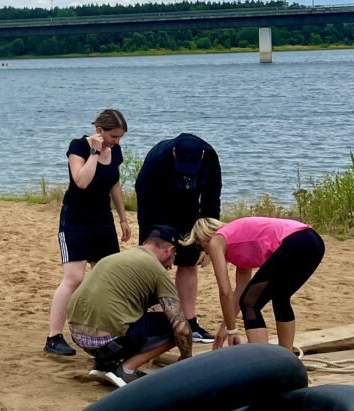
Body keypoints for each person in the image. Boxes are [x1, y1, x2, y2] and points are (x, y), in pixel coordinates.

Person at [45, 109, 130, 359]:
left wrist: (123, 218)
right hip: (76, 218)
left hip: (102, 220)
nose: (117, 142)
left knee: (108, 275)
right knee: (74, 278)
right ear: (100, 131)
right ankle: (53, 337)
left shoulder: (116, 151)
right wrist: (94, 152)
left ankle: (110, 333)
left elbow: (114, 183)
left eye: (121, 137)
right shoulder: (79, 146)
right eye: (114, 136)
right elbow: (81, 181)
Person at [65, 223, 193, 388]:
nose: (171, 265)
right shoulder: (157, 270)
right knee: (176, 327)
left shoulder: (118, 257)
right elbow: (180, 327)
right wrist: (186, 358)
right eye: (174, 258)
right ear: (170, 250)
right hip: (107, 341)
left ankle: (104, 366)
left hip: (78, 336)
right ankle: (127, 370)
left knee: (130, 314)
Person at [187, 215, 325, 354]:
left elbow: (225, 292)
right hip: (313, 241)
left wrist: (232, 331)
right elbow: (239, 292)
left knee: (249, 303)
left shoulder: (216, 240)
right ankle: (286, 357)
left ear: (204, 236)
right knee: (280, 297)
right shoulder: (237, 242)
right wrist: (225, 327)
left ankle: (263, 360)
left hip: (296, 241)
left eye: (199, 245)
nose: (204, 251)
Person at [134, 132, 222, 341]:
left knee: (189, 262)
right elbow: (145, 195)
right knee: (155, 264)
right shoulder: (158, 158)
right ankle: (158, 320)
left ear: (201, 156)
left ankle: (190, 323)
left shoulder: (209, 157)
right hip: (156, 210)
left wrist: (208, 242)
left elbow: (211, 199)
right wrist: (157, 237)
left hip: (189, 211)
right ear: (174, 153)